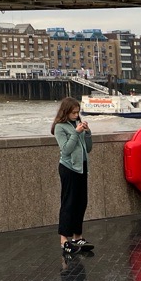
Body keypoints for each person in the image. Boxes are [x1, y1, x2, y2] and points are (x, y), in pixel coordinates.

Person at [51, 96, 94, 254]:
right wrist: (76, 133)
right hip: (68, 168)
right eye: (74, 113)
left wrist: (88, 133)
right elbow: (66, 149)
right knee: (68, 203)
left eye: (78, 112)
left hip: (82, 167)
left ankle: (78, 236)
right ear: (66, 112)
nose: (77, 115)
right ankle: (64, 240)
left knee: (81, 202)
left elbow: (88, 148)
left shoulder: (77, 124)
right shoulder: (59, 127)